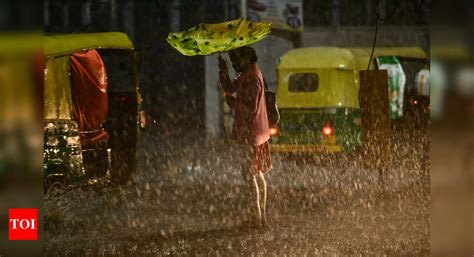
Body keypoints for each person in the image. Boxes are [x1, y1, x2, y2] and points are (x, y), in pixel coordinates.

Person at [218, 46, 272, 228]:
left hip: (251, 134)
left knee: (250, 176)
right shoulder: (247, 74)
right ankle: (260, 218)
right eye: (232, 62)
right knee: (257, 175)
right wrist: (223, 70)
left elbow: (250, 108)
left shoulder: (251, 78)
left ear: (247, 58)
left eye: (236, 61)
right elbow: (230, 86)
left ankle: (256, 219)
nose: (235, 65)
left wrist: (232, 102)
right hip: (257, 132)